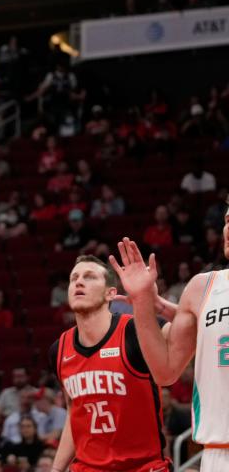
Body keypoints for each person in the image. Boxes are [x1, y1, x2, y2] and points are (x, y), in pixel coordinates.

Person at [110, 202, 229, 472]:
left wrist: (165, 307)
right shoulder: (203, 287)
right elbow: (165, 372)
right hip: (219, 454)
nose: (228, 228)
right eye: (227, 220)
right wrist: (141, 301)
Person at [50, 255, 170, 472]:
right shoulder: (59, 349)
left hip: (143, 467)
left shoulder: (136, 330)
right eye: (73, 278)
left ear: (111, 293)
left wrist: (159, 306)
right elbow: (74, 414)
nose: (78, 282)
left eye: (89, 277)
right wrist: (56, 469)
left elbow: (194, 332)